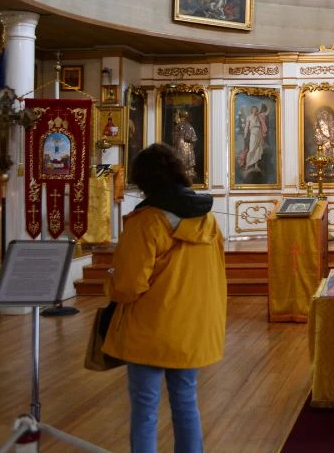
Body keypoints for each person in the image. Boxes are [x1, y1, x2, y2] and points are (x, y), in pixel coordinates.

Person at [102, 143, 227, 452]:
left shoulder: (146, 221)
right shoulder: (207, 220)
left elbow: (129, 285)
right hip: (191, 329)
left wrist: (110, 283)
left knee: (145, 409)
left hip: (149, 330)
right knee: (186, 402)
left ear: (143, 179)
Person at [172, 110, 198, 183]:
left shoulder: (177, 126)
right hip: (187, 146)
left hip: (178, 146)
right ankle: (187, 173)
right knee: (187, 162)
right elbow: (192, 138)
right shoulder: (189, 126)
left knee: (179, 161)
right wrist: (192, 144)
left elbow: (173, 138)